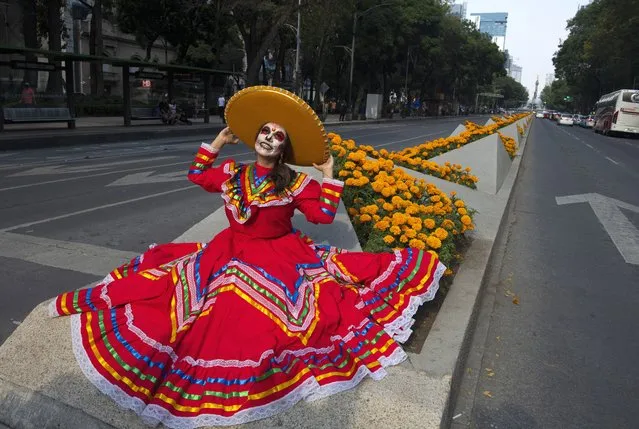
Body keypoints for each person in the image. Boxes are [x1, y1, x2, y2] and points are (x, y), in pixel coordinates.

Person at [48, 86, 445, 428]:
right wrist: (218, 142)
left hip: (280, 256)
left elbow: (322, 217)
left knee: (270, 321)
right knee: (175, 301)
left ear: (285, 147)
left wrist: (330, 175)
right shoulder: (233, 173)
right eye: (265, 131)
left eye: (278, 135)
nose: (270, 138)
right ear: (255, 137)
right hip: (227, 249)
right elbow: (196, 176)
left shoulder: (297, 182)